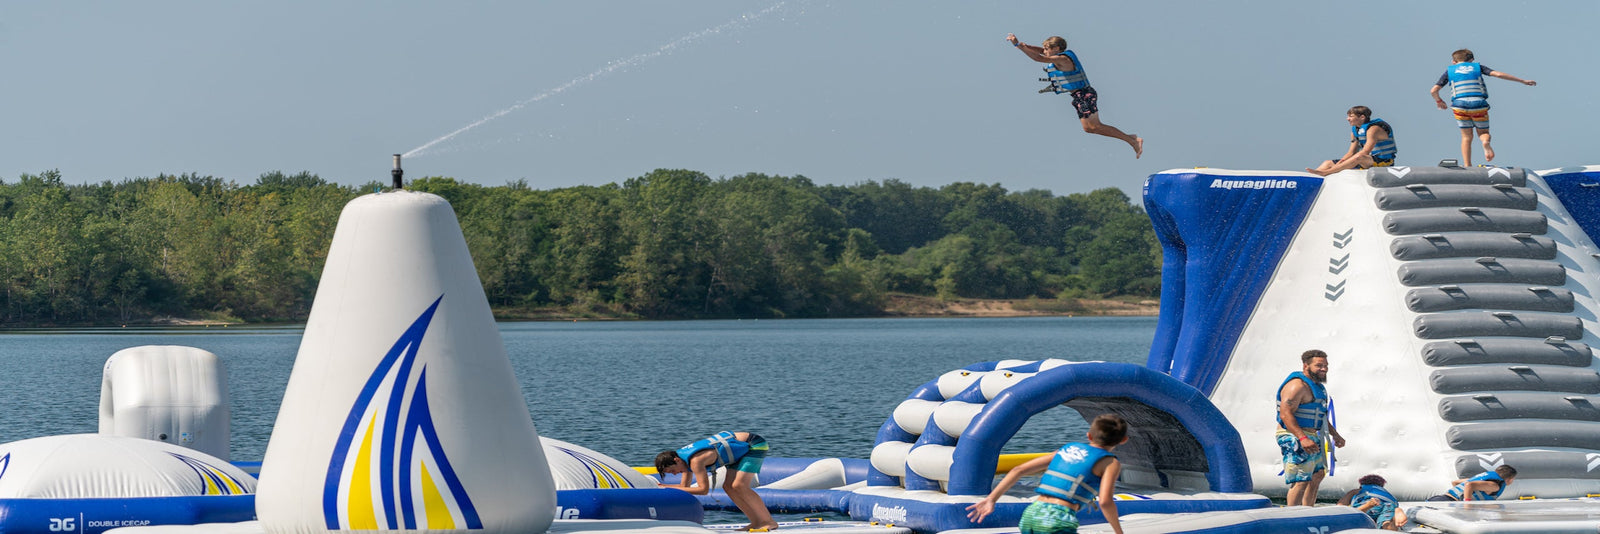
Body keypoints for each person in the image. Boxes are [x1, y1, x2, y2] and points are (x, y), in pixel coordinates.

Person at [966, 413, 1130, 534]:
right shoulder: (1110, 462)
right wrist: (1118, 531)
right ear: (1124, 440)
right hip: (1057, 519)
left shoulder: (1067, 448)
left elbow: (1018, 470)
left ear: (1089, 435)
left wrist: (991, 499)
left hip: (1032, 513)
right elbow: (1105, 502)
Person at [1005, 33, 1143, 159]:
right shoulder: (1058, 55)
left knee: (1095, 126)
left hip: (1085, 94)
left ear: (1057, 48)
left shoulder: (1063, 59)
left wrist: (1018, 46)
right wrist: (1025, 46)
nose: (1044, 50)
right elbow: (1039, 52)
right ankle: (1130, 138)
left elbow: (1037, 57)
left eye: (1047, 48)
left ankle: (1132, 140)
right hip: (1078, 95)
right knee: (1089, 128)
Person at [1429, 49, 1536, 167]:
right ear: (1472, 60)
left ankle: (1467, 165)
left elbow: (1433, 90)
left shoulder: (1449, 71)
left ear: (1454, 61)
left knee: (1466, 136)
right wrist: (1523, 81)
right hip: (1478, 104)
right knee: (1483, 132)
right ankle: (1485, 142)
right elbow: (1498, 74)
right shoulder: (1478, 67)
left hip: (1459, 106)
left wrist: (1439, 101)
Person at [655, 431, 777, 531]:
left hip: (753, 445)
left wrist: (671, 488)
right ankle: (755, 522)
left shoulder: (696, 461)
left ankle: (769, 521)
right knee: (728, 487)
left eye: (672, 471)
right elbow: (684, 487)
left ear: (676, 460)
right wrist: (665, 487)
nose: (675, 474)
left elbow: (703, 490)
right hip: (738, 455)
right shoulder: (683, 462)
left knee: (739, 485)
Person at [1276, 349, 1346, 506]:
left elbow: (1320, 416)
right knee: (1301, 478)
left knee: (1318, 474)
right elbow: (1285, 415)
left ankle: (1308, 511)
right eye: (1319, 365)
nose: (1324, 368)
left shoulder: (1318, 387)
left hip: (1311, 435)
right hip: (1293, 434)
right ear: (1305, 365)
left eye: (1326, 365)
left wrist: (1335, 435)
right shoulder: (1297, 386)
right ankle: (1292, 517)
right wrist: (1302, 438)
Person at [1306, 106, 1397, 176]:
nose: (1347, 119)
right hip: (1367, 161)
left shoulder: (1373, 129)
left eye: (1351, 116)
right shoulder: (1355, 131)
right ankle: (1310, 179)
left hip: (1383, 162)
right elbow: (1351, 152)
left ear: (1362, 117)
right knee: (1328, 163)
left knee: (1359, 157)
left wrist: (1334, 169)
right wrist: (1339, 163)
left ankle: (1325, 173)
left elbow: (1365, 152)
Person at [1337, 474, 1408, 530]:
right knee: (1386, 524)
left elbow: (1340, 506)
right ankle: (1395, 513)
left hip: (1370, 502)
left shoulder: (1359, 490)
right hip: (1389, 504)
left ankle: (1367, 506)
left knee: (1353, 516)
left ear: (1362, 485)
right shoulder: (1387, 493)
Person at [1427, 465, 1518, 502]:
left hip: (1441, 499)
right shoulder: (1494, 486)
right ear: (1509, 479)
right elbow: (1469, 485)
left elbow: (1455, 482)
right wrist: (1467, 505)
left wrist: (1461, 495)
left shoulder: (1479, 479)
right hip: (1447, 502)